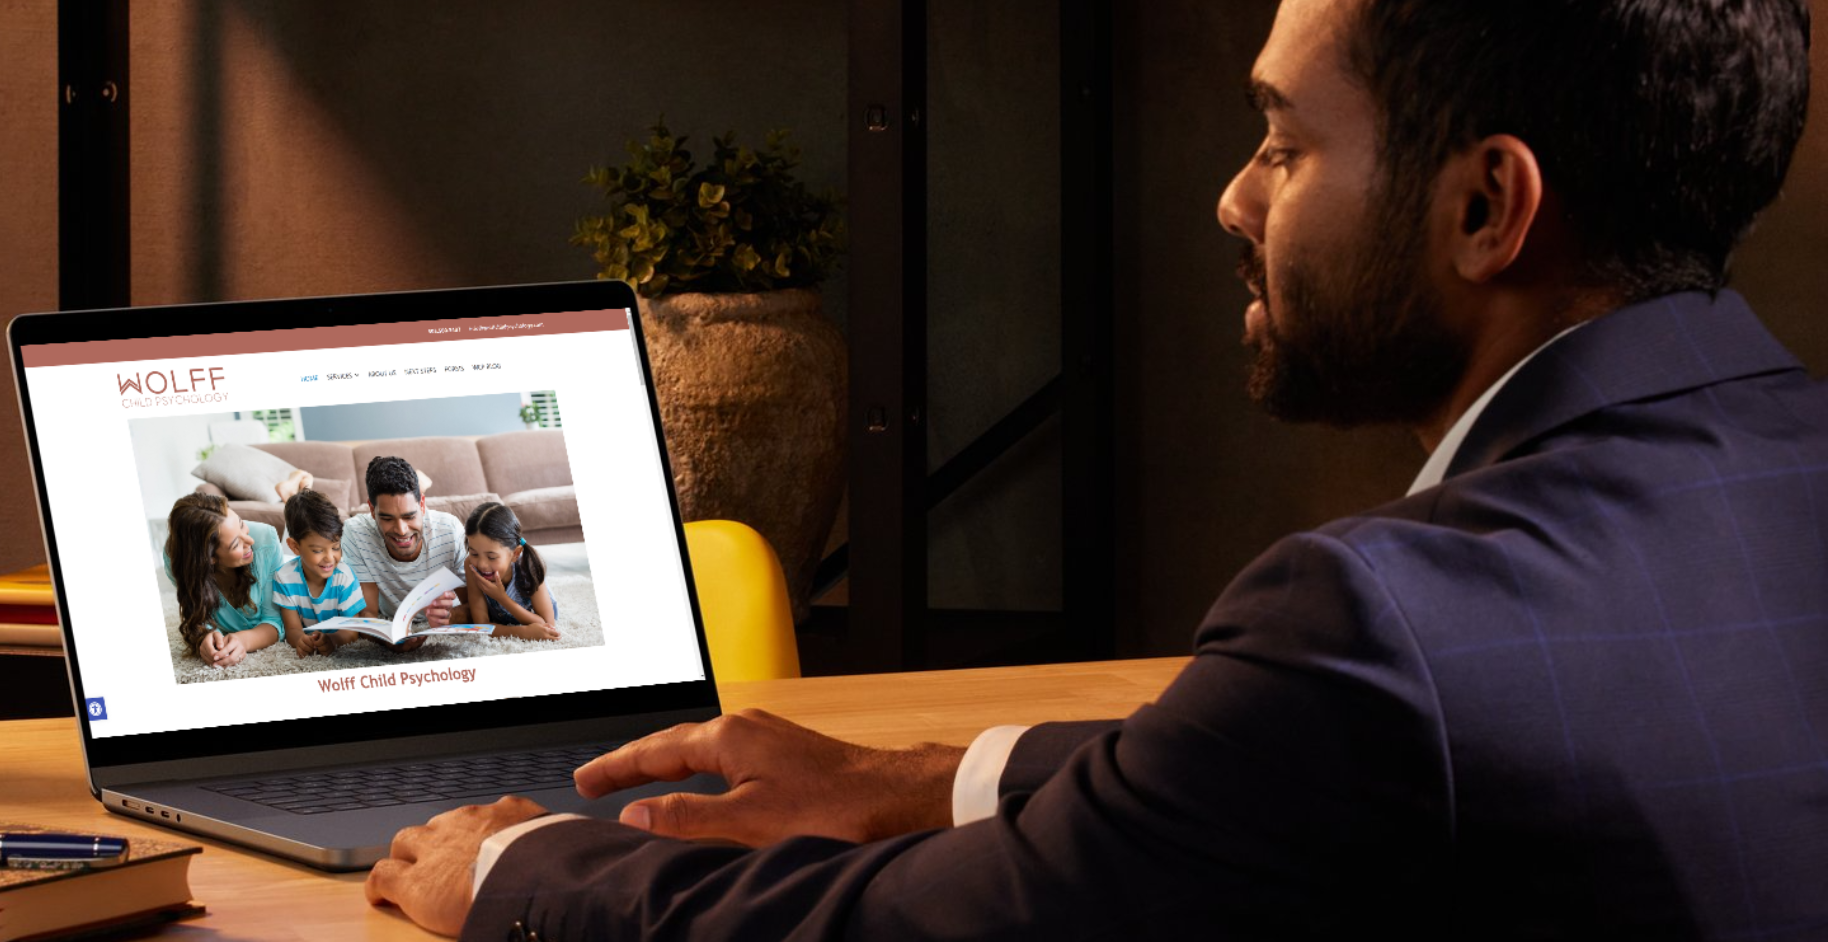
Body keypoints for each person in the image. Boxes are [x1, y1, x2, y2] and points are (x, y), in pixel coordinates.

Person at [365, 1, 1828, 938]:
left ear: (1483, 206)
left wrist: (520, 872)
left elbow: (924, 931)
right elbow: (1316, 779)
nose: (1232, 197)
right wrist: (926, 777)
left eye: (1280, 142)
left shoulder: (1382, 620)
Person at [341, 455, 464, 652]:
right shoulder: (356, 532)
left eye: (410, 516)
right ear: (372, 510)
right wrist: (386, 640)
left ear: (422, 505)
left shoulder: (449, 530)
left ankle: (421, 482)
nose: (401, 530)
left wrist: (451, 617)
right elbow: (367, 613)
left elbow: (475, 606)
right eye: (388, 518)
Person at [164, 492, 284, 668]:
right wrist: (206, 636)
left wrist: (244, 641)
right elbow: (198, 614)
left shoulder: (266, 540)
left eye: (242, 524)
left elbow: (275, 620)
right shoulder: (179, 562)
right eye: (236, 544)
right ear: (209, 558)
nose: (250, 540)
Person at [272, 488, 367, 655]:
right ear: (294, 547)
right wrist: (301, 640)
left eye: (336, 547)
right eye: (318, 551)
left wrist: (332, 640)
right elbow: (292, 629)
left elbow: (352, 631)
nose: (330, 558)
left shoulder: (344, 577)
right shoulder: (284, 578)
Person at [460, 501, 562, 641]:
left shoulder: (528, 565)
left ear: (515, 553)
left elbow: (548, 626)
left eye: (492, 557)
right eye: (474, 554)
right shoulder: (471, 566)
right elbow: (481, 625)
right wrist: (524, 632)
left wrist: (502, 597)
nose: (482, 565)